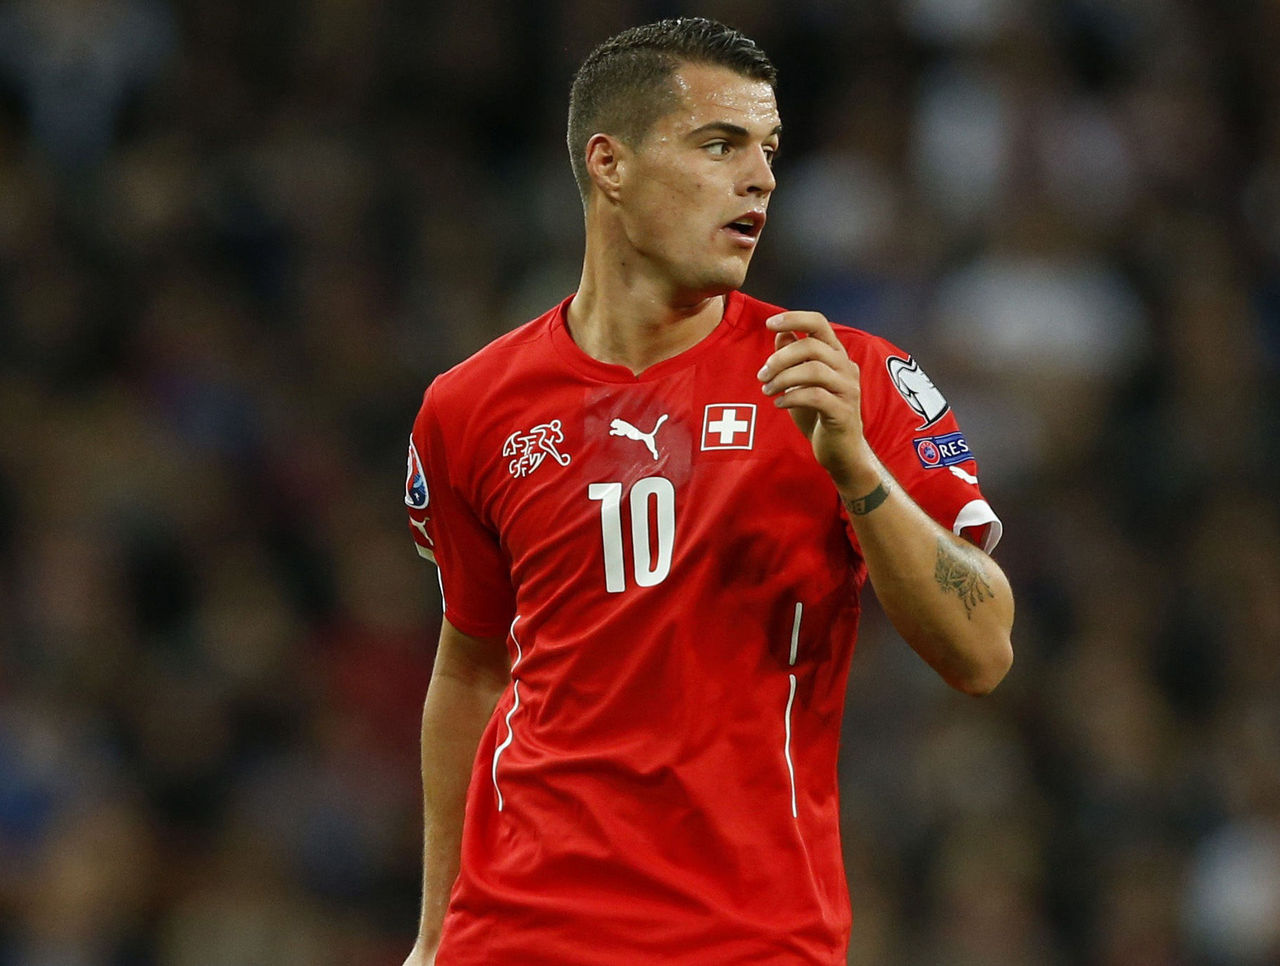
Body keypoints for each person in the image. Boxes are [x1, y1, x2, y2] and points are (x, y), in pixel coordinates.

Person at [401, 17, 1014, 966]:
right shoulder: (469, 407)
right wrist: (435, 934)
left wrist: (858, 474)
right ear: (610, 164)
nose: (760, 177)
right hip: (518, 932)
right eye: (720, 144)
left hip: (748, 936)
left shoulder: (844, 377)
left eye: (769, 149)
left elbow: (983, 651)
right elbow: (471, 669)